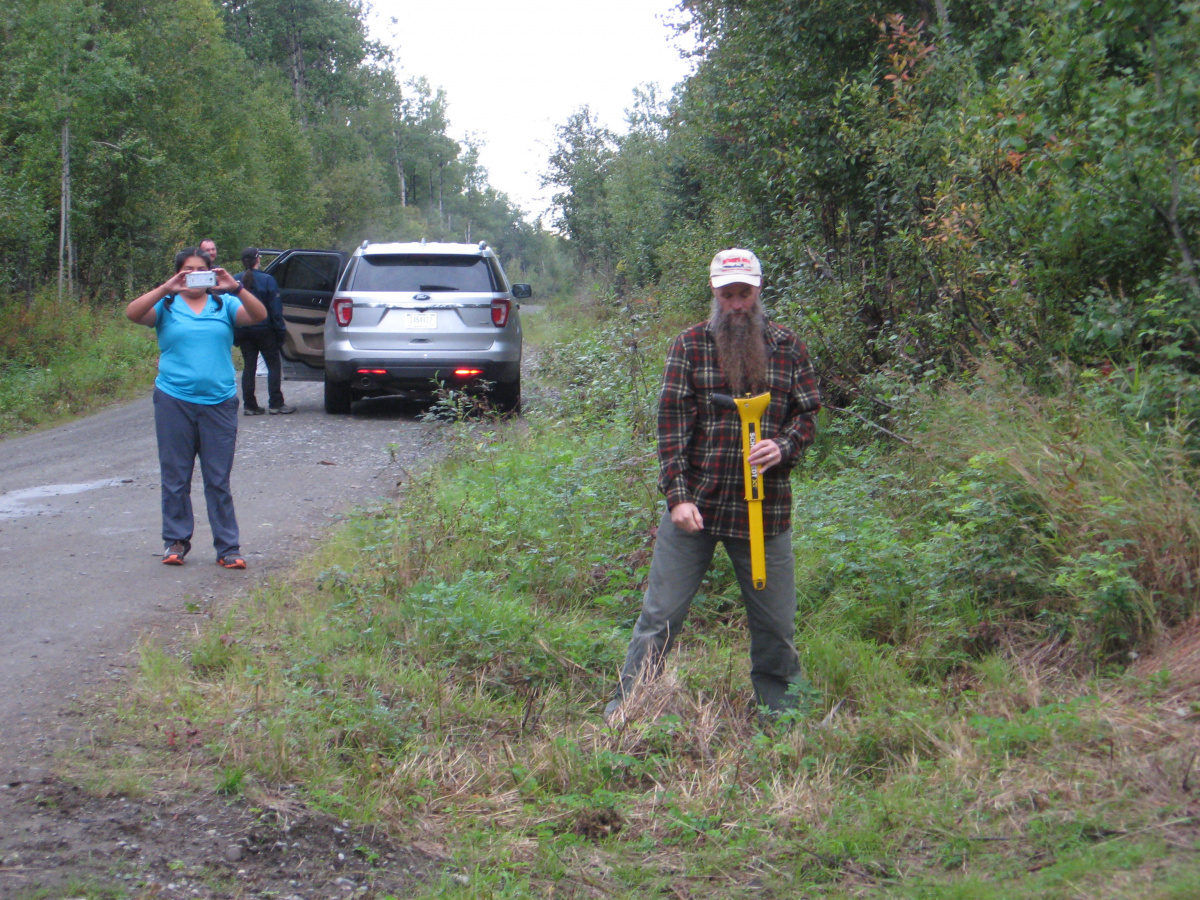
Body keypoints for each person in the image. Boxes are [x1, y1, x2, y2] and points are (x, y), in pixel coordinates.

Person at [605, 248, 822, 722]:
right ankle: (630, 708)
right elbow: (671, 425)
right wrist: (676, 496)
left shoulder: (789, 347)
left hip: (766, 511)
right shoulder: (689, 345)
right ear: (715, 293)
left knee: (776, 625)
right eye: (727, 295)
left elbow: (807, 414)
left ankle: (782, 714)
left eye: (744, 294)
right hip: (696, 508)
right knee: (660, 617)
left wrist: (783, 446)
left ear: (758, 291)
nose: (736, 305)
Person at [125, 247, 268, 568]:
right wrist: (166, 288)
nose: (192, 275)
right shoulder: (167, 305)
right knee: (175, 475)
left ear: (211, 273)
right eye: (186, 270)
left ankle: (228, 548)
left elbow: (260, 315)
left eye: (199, 270)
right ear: (179, 273)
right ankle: (175, 542)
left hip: (218, 401)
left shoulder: (225, 303)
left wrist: (237, 287)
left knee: (218, 478)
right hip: (174, 400)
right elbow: (133, 314)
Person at [235, 247, 294, 415]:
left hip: (245, 331)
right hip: (265, 330)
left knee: (249, 367)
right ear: (258, 259)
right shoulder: (268, 280)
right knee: (273, 366)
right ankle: (276, 403)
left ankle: (249, 405)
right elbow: (276, 310)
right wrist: (280, 332)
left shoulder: (235, 281)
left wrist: (235, 334)